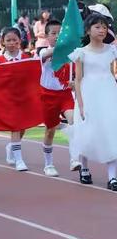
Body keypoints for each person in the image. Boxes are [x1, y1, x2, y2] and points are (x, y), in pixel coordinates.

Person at [70, 14, 117, 190]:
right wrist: (81, 104)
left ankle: (112, 177)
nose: (102, 30)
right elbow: (78, 79)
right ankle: (84, 168)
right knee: (87, 131)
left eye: (104, 27)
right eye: (97, 27)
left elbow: (112, 74)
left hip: (109, 93)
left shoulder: (112, 50)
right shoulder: (81, 53)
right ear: (88, 30)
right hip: (88, 94)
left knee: (112, 132)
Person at [38, 19, 81, 177]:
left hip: (64, 94)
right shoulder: (43, 52)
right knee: (50, 131)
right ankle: (48, 164)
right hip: (47, 96)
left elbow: (76, 73)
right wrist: (62, 47)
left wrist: (73, 82)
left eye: (60, 33)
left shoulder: (70, 55)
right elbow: (49, 54)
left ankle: (74, 159)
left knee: (73, 121)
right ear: (46, 36)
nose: (57, 36)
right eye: (53, 34)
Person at [0, 27, 34, 171]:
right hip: (8, 99)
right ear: (3, 42)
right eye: (8, 40)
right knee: (16, 127)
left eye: (14, 40)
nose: (11, 43)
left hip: (23, 98)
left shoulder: (26, 58)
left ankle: (11, 146)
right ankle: (19, 160)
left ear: (19, 41)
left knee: (22, 128)